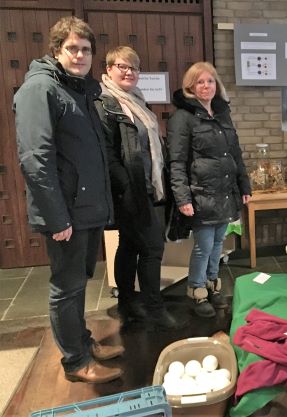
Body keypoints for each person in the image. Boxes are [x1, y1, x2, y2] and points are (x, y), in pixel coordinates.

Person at [13, 16, 123, 383]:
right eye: (72, 48)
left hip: (85, 209)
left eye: (86, 49)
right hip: (66, 214)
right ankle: (75, 362)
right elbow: (35, 158)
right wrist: (57, 218)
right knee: (66, 287)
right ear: (57, 50)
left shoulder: (79, 89)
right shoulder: (39, 90)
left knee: (79, 282)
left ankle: (84, 341)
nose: (80, 55)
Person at [95, 46, 181, 330]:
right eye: (122, 66)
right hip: (131, 190)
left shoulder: (137, 101)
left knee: (130, 245)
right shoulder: (105, 103)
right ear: (109, 70)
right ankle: (153, 309)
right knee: (153, 248)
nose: (129, 72)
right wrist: (126, 187)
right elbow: (107, 154)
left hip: (148, 186)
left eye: (134, 67)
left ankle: (128, 304)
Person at [168, 62, 251, 317]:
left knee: (217, 244)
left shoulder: (222, 114)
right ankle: (196, 289)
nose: (206, 86)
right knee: (203, 246)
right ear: (190, 86)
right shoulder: (182, 117)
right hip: (200, 194)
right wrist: (183, 197)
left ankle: (213, 285)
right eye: (200, 82)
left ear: (217, 85)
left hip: (224, 192)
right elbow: (177, 162)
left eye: (210, 81)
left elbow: (235, 154)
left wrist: (244, 184)